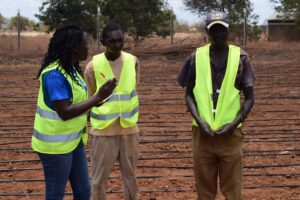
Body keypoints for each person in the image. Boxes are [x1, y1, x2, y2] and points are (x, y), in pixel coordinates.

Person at [32, 25, 117, 200]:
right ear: (74, 47)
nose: (88, 48)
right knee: (56, 193)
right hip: (55, 146)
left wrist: (97, 101)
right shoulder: (54, 75)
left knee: (83, 191)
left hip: (74, 140)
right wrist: (97, 97)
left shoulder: (71, 69)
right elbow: (64, 112)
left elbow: (76, 102)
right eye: (86, 43)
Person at [177, 11, 255, 200]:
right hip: (202, 136)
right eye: (214, 30)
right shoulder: (196, 57)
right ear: (207, 31)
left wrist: (235, 123)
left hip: (231, 135)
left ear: (228, 31)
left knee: (233, 191)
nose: (218, 34)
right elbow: (188, 95)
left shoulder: (241, 58)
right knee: (204, 192)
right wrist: (200, 121)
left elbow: (250, 98)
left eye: (222, 29)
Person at [84, 23, 140, 200]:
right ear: (103, 42)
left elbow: (133, 88)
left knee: (131, 177)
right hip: (103, 131)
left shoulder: (134, 62)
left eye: (120, 40)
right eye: (112, 41)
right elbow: (89, 97)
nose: (116, 44)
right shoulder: (93, 67)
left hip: (129, 129)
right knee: (99, 179)